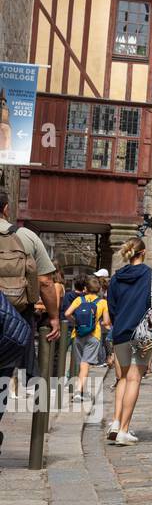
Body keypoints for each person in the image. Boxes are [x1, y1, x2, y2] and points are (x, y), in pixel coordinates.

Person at [0, 189, 60, 440]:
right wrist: (54, 317)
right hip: (11, 320)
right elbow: (45, 282)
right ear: (5, 209)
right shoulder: (25, 236)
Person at [105, 238, 152, 446]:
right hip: (143, 333)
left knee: (122, 379)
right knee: (134, 379)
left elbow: (112, 307)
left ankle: (116, 422)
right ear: (143, 252)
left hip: (120, 332)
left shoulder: (117, 278)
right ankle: (124, 430)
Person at [65, 274, 110, 403]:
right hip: (93, 335)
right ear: (99, 289)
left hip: (78, 334)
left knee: (81, 364)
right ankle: (78, 392)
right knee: (86, 364)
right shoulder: (102, 303)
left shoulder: (79, 300)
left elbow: (67, 313)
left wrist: (75, 322)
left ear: (85, 288)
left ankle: (82, 391)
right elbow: (106, 322)